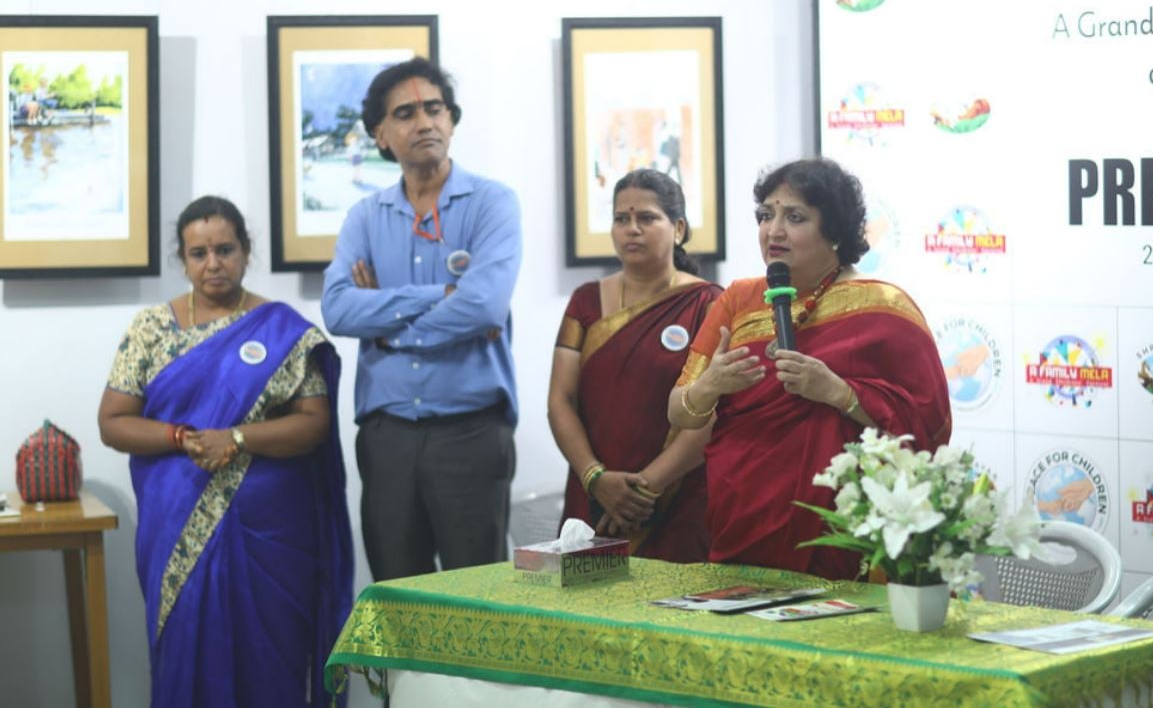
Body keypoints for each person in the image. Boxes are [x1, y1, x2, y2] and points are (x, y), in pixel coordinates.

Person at [97, 196, 354, 708]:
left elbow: (314, 423)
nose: (212, 263)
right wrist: (180, 437)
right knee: (186, 641)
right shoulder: (150, 329)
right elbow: (113, 421)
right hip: (176, 520)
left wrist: (235, 439)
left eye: (224, 249)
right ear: (183, 258)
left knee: (272, 652)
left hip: (273, 527)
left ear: (245, 250)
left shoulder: (285, 332)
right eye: (198, 253)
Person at [666, 158, 951, 580]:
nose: (773, 230)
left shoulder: (885, 308)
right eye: (766, 215)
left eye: (794, 217)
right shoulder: (738, 301)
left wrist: (840, 393)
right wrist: (709, 386)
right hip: (742, 514)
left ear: (834, 230)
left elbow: (928, 423)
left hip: (841, 526)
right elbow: (678, 411)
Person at [322, 57, 521, 582]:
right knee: (398, 600)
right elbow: (338, 308)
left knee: (477, 606)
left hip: (472, 432)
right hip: (388, 439)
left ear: (452, 120)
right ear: (381, 135)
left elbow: (483, 306)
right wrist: (442, 293)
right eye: (406, 113)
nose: (425, 122)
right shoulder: (364, 218)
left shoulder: (492, 204)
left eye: (434, 108)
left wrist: (386, 327)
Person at [549, 169, 720, 562]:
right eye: (621, 219)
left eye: (647, 218)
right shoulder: (586, 301)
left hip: (677, 498)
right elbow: (560, 399)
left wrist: (645, 489)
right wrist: (595, 477)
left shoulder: (708, 304)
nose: (632, 229)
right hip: (592, 495)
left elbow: (714, 413)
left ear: (677, 228)